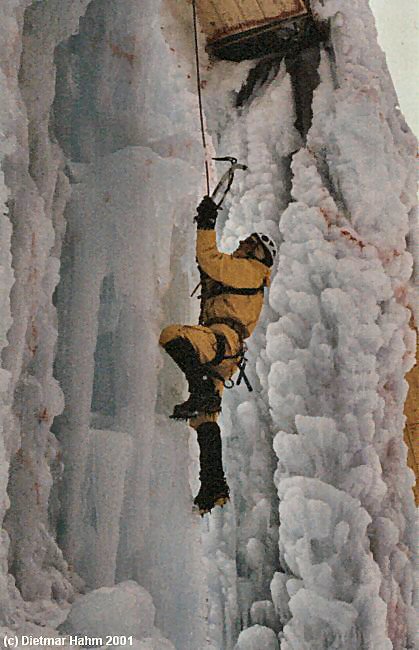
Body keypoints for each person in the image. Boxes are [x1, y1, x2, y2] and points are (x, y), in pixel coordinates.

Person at [159, 196, 276, 514]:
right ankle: (214, 483)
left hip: (219, 340)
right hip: (228, 353)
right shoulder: (249, 278)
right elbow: (213, 271)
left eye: (248, 242)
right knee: (205, 418)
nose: (241, 243)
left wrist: (206, 223)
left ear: (257, 253)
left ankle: (199, 393)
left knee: (173, 335)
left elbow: (209, 258)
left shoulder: (250, 270)